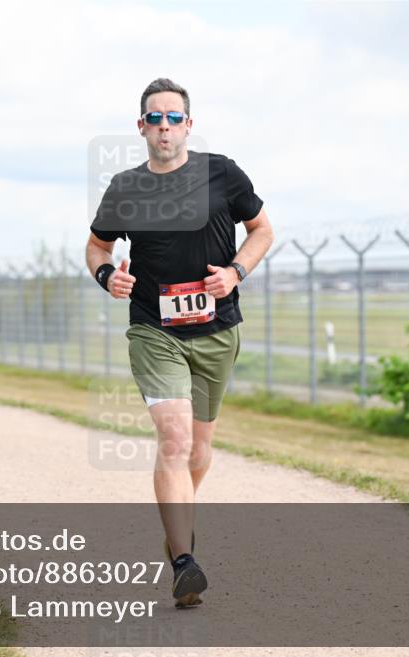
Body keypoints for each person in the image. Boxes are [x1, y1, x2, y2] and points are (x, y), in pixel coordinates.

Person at [84, 78, 274, 608]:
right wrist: (107, 278)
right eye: (155, 118)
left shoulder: (222, 172)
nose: (164, 126)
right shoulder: (125, 187)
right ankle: (186, 561)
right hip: (153, 328)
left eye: (174, 117)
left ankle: (175, 536)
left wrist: (236, 271)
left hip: (216, 331)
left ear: (189, 125)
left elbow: (262, 231)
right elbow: (97, 247)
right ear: (141, 127)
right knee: (173, 439)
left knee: (199, 448)